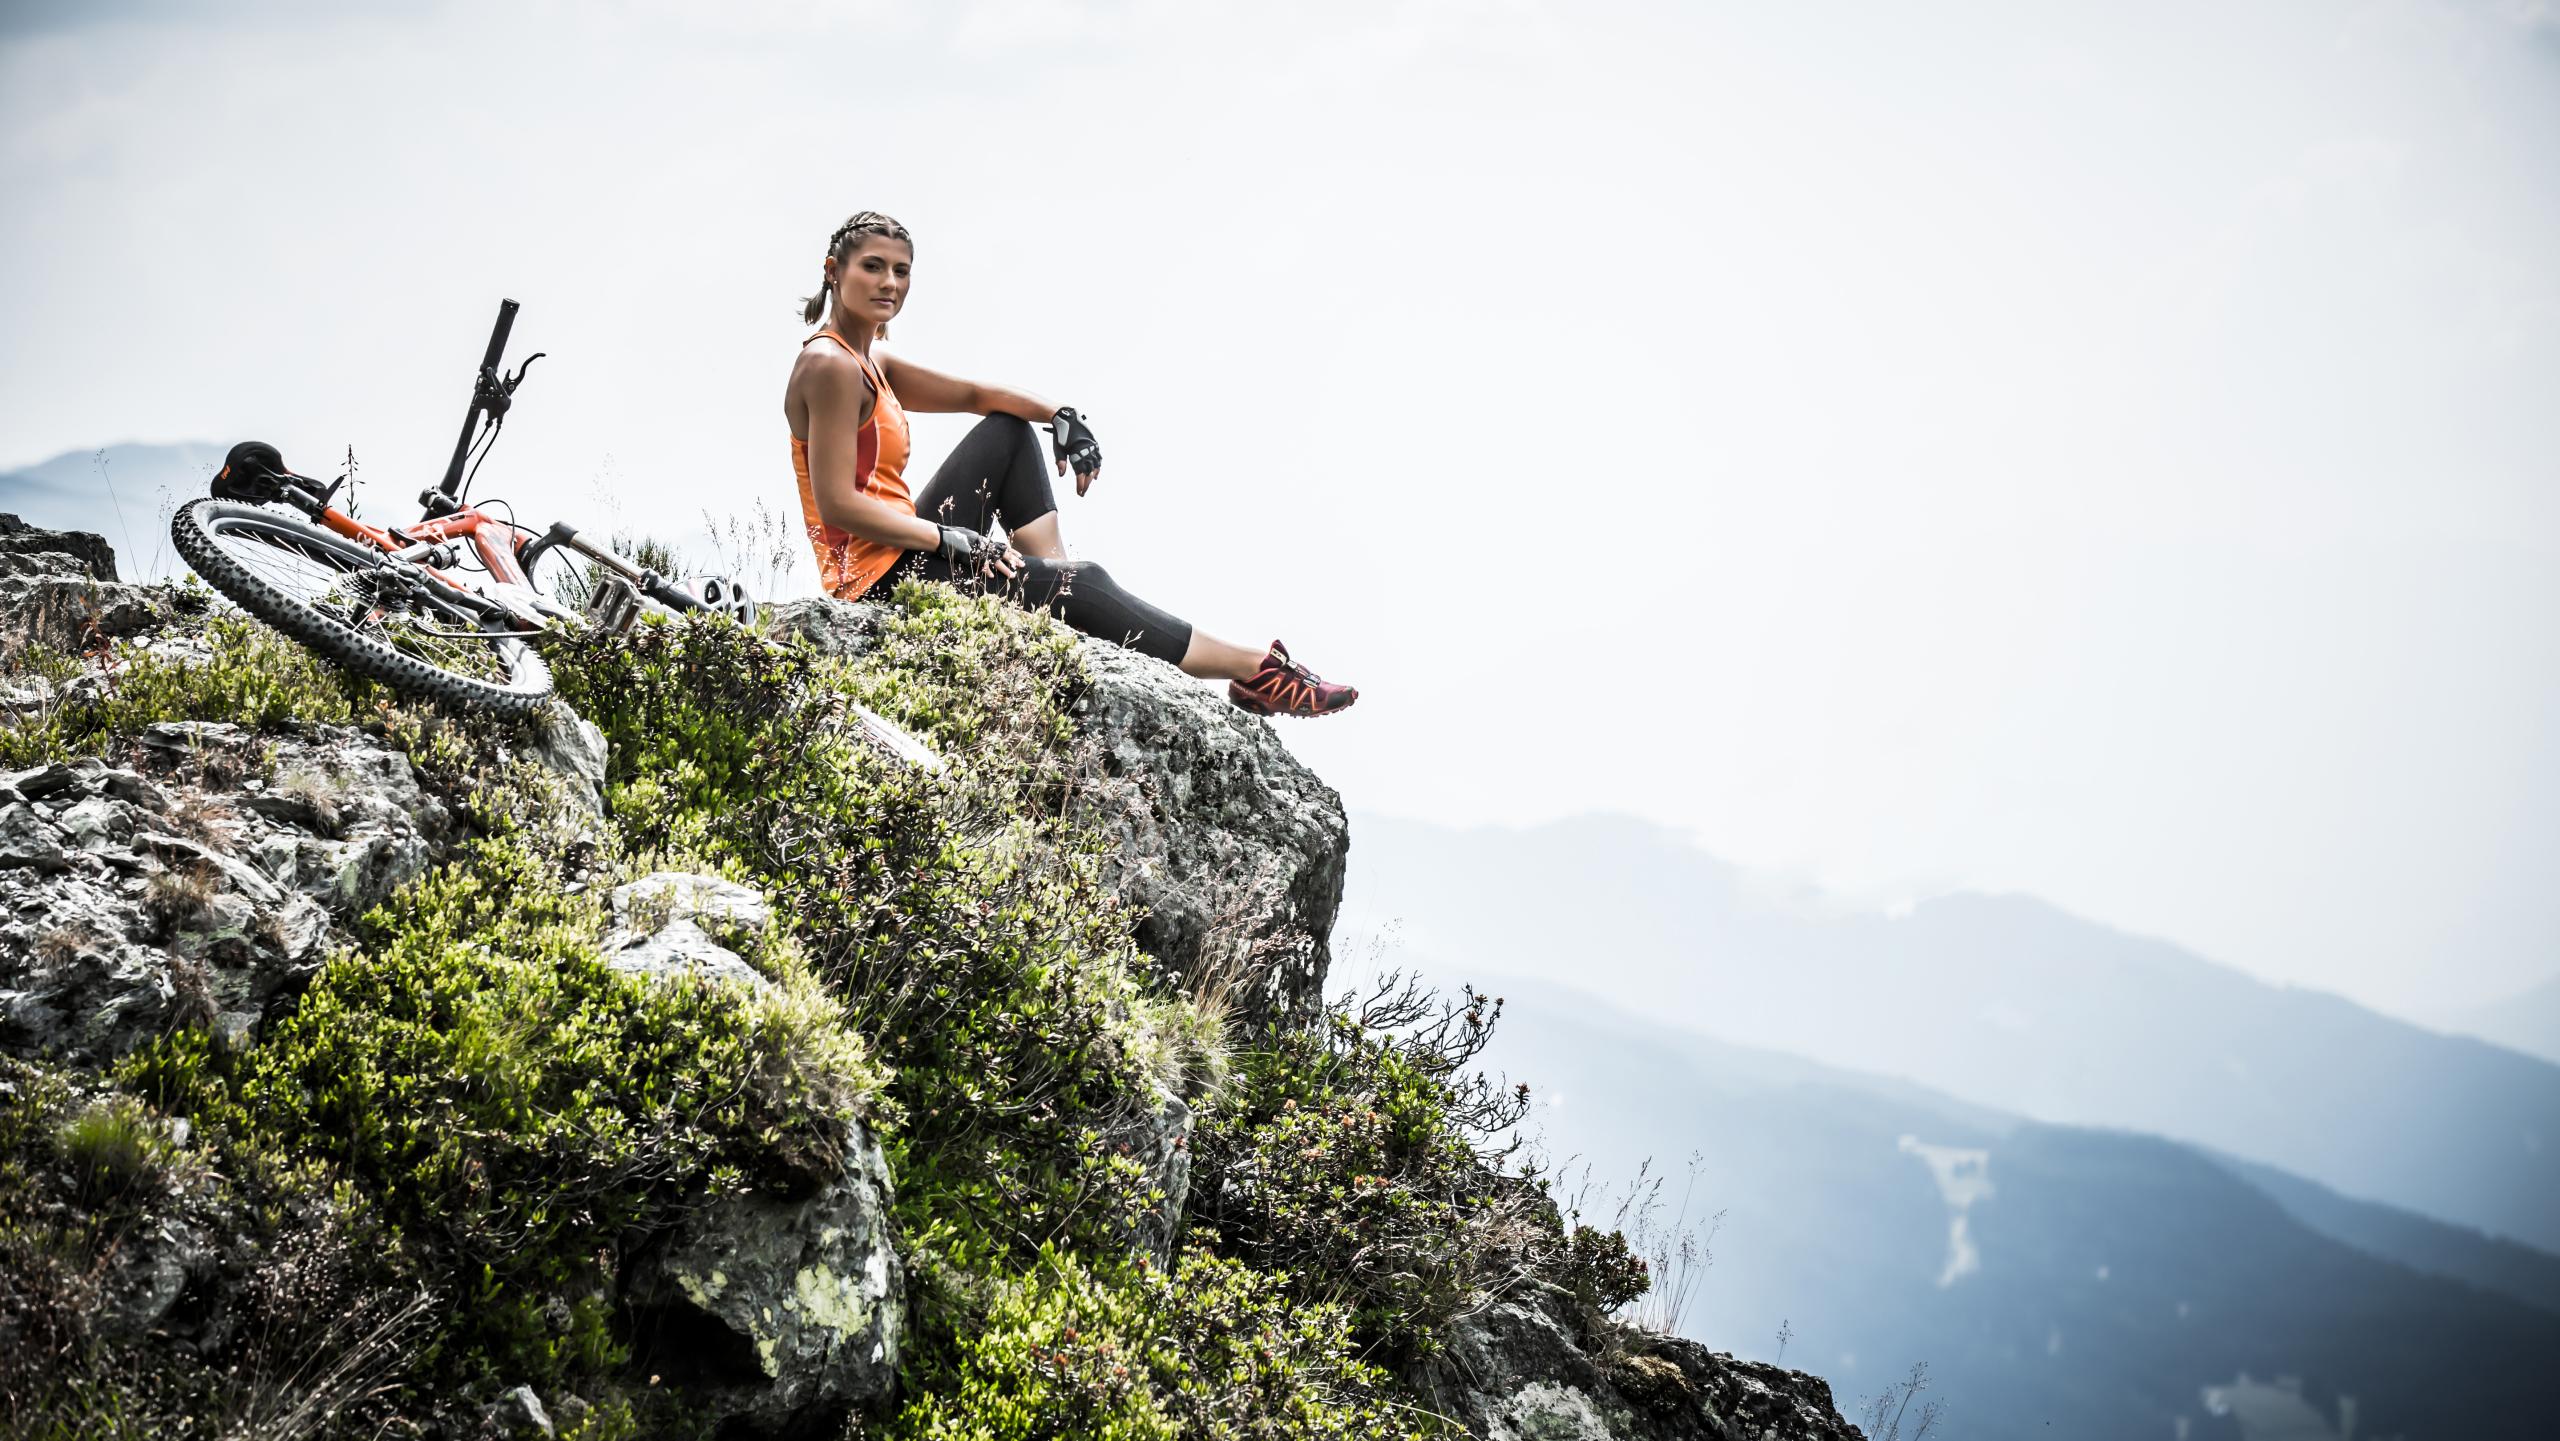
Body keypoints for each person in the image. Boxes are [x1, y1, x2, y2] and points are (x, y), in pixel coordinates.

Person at [784, 211, 1356, 718]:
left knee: (1007, 432)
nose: (889, 283)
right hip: (875, 584)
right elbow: (838, 502)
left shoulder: (869, 358)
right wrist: (948, 539)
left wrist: (1060, 414)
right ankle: (1254, 669)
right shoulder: (830, 365)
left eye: (901, 271)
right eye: (873, 267)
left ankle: (1057, 592)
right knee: (1088, 583)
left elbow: (978, 395)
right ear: (834, 270)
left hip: (911, 550)